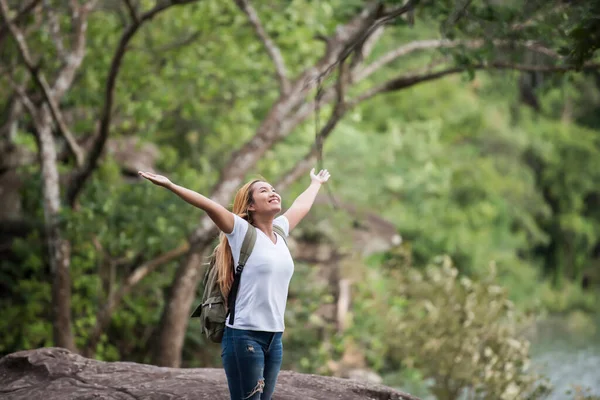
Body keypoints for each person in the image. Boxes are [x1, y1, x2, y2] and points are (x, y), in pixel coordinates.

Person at [138, 168, 331, 400]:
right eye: (264, 190)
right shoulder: (241, 232)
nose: (273, 193)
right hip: (244, 336)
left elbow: (301, 205)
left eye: (273, 189)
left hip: (275, 338)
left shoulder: (280, 232)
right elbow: (209, 205)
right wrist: (170, 185)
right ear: (251, 206)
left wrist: (315, 183)